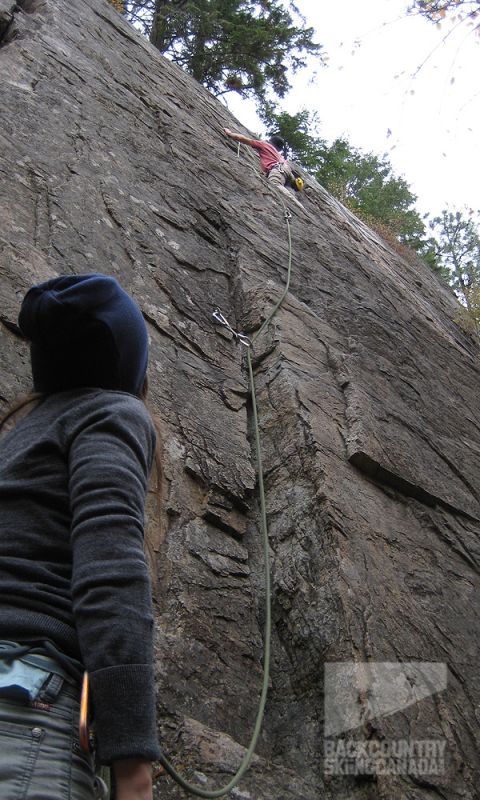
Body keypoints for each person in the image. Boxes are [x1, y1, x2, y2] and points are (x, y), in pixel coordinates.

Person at [0, 273, 160, 800]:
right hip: (24, 705)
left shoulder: (19, 437)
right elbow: (109, 572)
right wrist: (132, 764)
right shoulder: (112, 412)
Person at [223, 127, 303, 207]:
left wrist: (230, 133)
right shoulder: (279, 155)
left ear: (270, 141)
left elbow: (243, 139)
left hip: (278, 169)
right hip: (286, 170)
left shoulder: (265, 145)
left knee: (275, 184)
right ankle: (294, 186)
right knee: (287, 184)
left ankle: (298, 206)